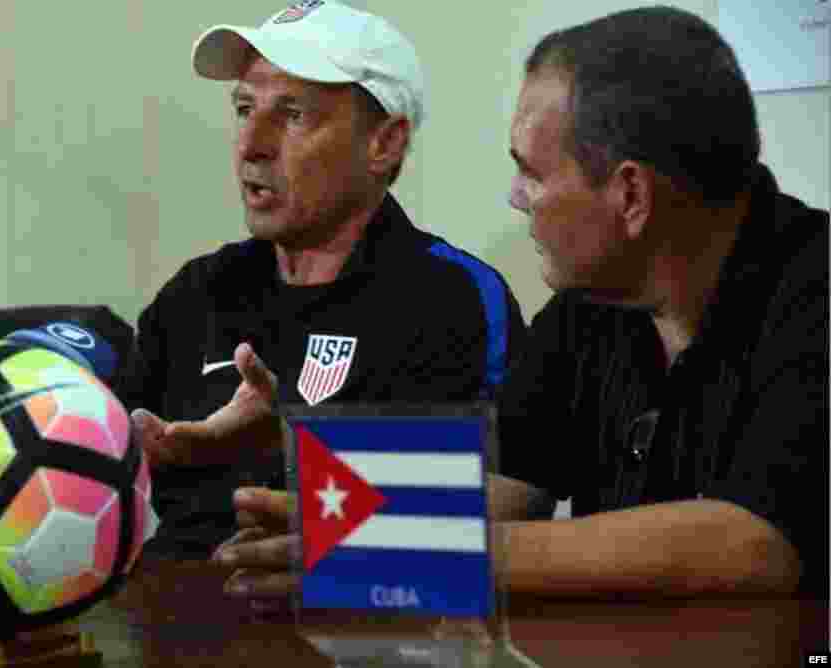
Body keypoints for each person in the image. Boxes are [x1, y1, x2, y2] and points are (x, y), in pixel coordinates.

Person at [137, 6, 829, 601]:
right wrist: (303, 456)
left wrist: (415, 553)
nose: (514, 198)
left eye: (530, 172)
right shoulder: (591, 307)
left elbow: (755, 543)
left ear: (631, 196)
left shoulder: (814, 286)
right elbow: (498, 490)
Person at [120, 0, 525, 560]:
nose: (251, 144)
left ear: (384, 143)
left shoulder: (451, 298)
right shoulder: (197, 292)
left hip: (354, 625)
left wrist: (292, 446)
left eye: (292, 114)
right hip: (172, 615)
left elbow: (477, 520)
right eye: (243, 108)